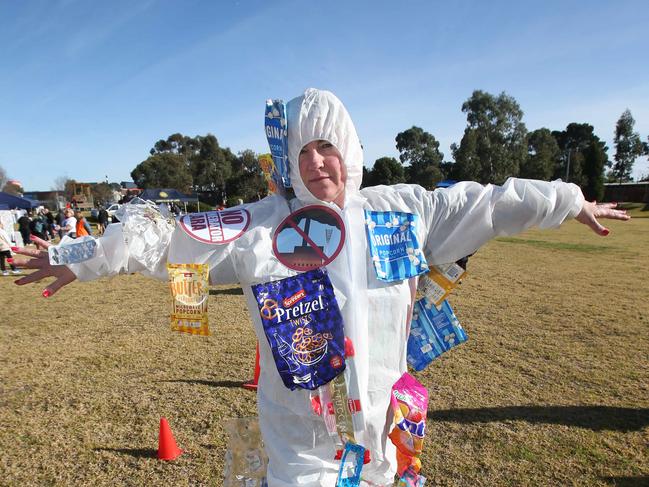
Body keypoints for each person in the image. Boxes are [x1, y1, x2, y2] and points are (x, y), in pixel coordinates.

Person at [13, 89, 630, 486]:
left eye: (327, 146)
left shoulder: (402, 211)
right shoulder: (260, 224)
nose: (316, 163)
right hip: (299, 453)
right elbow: (170, 242)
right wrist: (82, 254)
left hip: (384, 445)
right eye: (303, 151)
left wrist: (567, 198)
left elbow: (488, 204)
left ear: (351, 150)